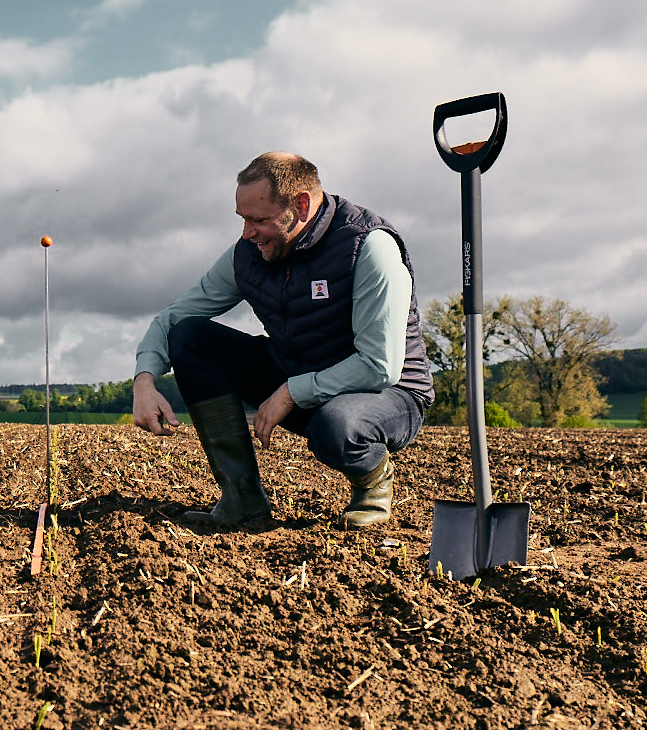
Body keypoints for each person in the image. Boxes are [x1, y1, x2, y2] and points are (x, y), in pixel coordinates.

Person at [130, 151, 428, 531]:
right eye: (243, 219)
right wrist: (145, 379)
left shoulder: (368, 248)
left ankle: (372, 481)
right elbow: (173, 317)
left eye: (259, 219)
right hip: (300, 369)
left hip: (387, 393)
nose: (247, 232)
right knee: (189, 335)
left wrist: (290, 392)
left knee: (336, 428)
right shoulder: (250, 254)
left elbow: (378, 365)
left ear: (301, 206)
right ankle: (242, 500)